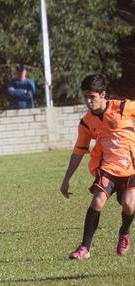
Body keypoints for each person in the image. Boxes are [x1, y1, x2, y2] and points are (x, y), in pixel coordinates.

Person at [60, 73, 135, 260]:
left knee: (128, 205)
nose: (88, 101)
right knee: (98, 201)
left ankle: (124, 232)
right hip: (107, 168)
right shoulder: (86, 122)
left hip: (131, 167)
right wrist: (66, 179)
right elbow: (78, 151)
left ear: (103, 94)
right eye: (85, 96)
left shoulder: (123, 107)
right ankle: (84, 248)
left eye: (92, 97)